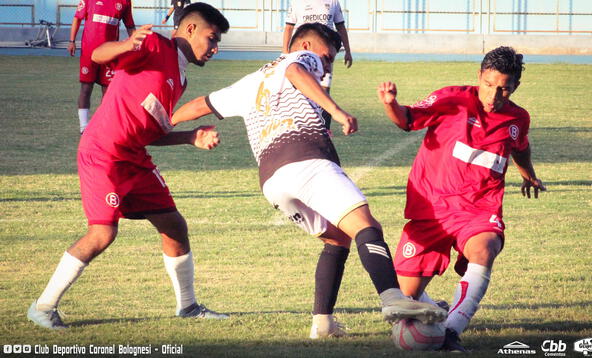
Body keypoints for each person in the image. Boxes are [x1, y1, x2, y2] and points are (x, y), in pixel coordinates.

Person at [171, 22, 447, 339]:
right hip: (306, 158)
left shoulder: (251, 81)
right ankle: (393, 298)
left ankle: (323, 323)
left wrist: (161, 124)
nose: (327, 65)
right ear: (306, 48)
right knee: (365, 225)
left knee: (337, 238)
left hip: (272, 181)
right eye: (327, 57)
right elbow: (294, 73)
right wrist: (337, 110)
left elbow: (199, 105)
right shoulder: (300, 60)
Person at [27, 3, 231, 329]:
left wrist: (190, 137)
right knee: (103, 232)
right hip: (103, 153)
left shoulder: (181, 78)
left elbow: (153, 131)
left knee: (174, 226)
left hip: (134, 157)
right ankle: (43, 306)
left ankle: (188, 307)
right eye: (212, 38)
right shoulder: (154, 45)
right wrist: (124, 44)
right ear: (190, 29)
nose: (215, 48)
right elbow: (97, 55)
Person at [377, 46, 547, 351]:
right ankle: (437, 312)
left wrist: (529, 174)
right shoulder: (453, 99)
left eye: (504, 89)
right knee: (406, 295)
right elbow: (407, 120)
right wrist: (391, 104)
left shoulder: (518, 119)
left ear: (515, 87)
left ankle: (452, 332)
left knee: (485, 249)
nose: (494, 95)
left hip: (479, 210)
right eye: (489, 85)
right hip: (432, 207)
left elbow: (519, 147)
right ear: (479, 76)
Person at [282, 0, 352, 130]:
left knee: (324, 91)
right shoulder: (297, 3)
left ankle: (324, 128)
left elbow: (341, 27)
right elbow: (289, 27)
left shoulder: (333, 2)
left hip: (325, 55)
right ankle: (299, 125)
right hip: (303, 56)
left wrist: (348, 51)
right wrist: (285, 53)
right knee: (300, 90)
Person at [68, 0, 136, 133]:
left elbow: (130, 26)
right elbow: (77, 18)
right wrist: (72, 41)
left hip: (110, 54)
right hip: (89, 52)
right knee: (86, 87)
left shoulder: (125, 2)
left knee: (108, 91)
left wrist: (137, 45)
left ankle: (104, 124)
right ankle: (84, 126)